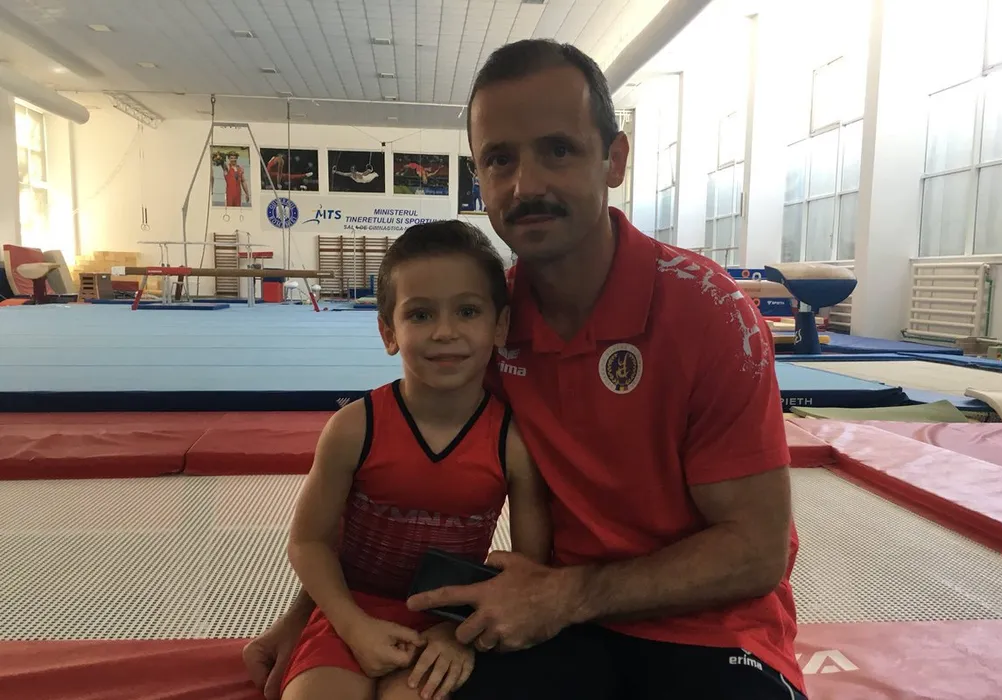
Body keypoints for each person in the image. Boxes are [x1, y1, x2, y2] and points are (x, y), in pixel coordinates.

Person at [245, 38, 806, 700]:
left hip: (708, 631)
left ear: (614, 159)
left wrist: (568, 595)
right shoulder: (487, 329)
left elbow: (757, 550)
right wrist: (306, 618)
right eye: (500, 159)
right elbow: (379, 497)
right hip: (550, 626)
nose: (526, 185)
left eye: (558, 150)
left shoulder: (710, 313)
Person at [277, 220, 552, 700]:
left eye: (467, 311)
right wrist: (351, 624)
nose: (445, 332)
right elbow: (308, 541)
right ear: (388, 332)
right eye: (421, 315)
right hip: (351, 611)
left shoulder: (512, 442)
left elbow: (527, 566)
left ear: (500, 325)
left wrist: (460, 633)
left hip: (447, 621)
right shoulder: (353, 429)